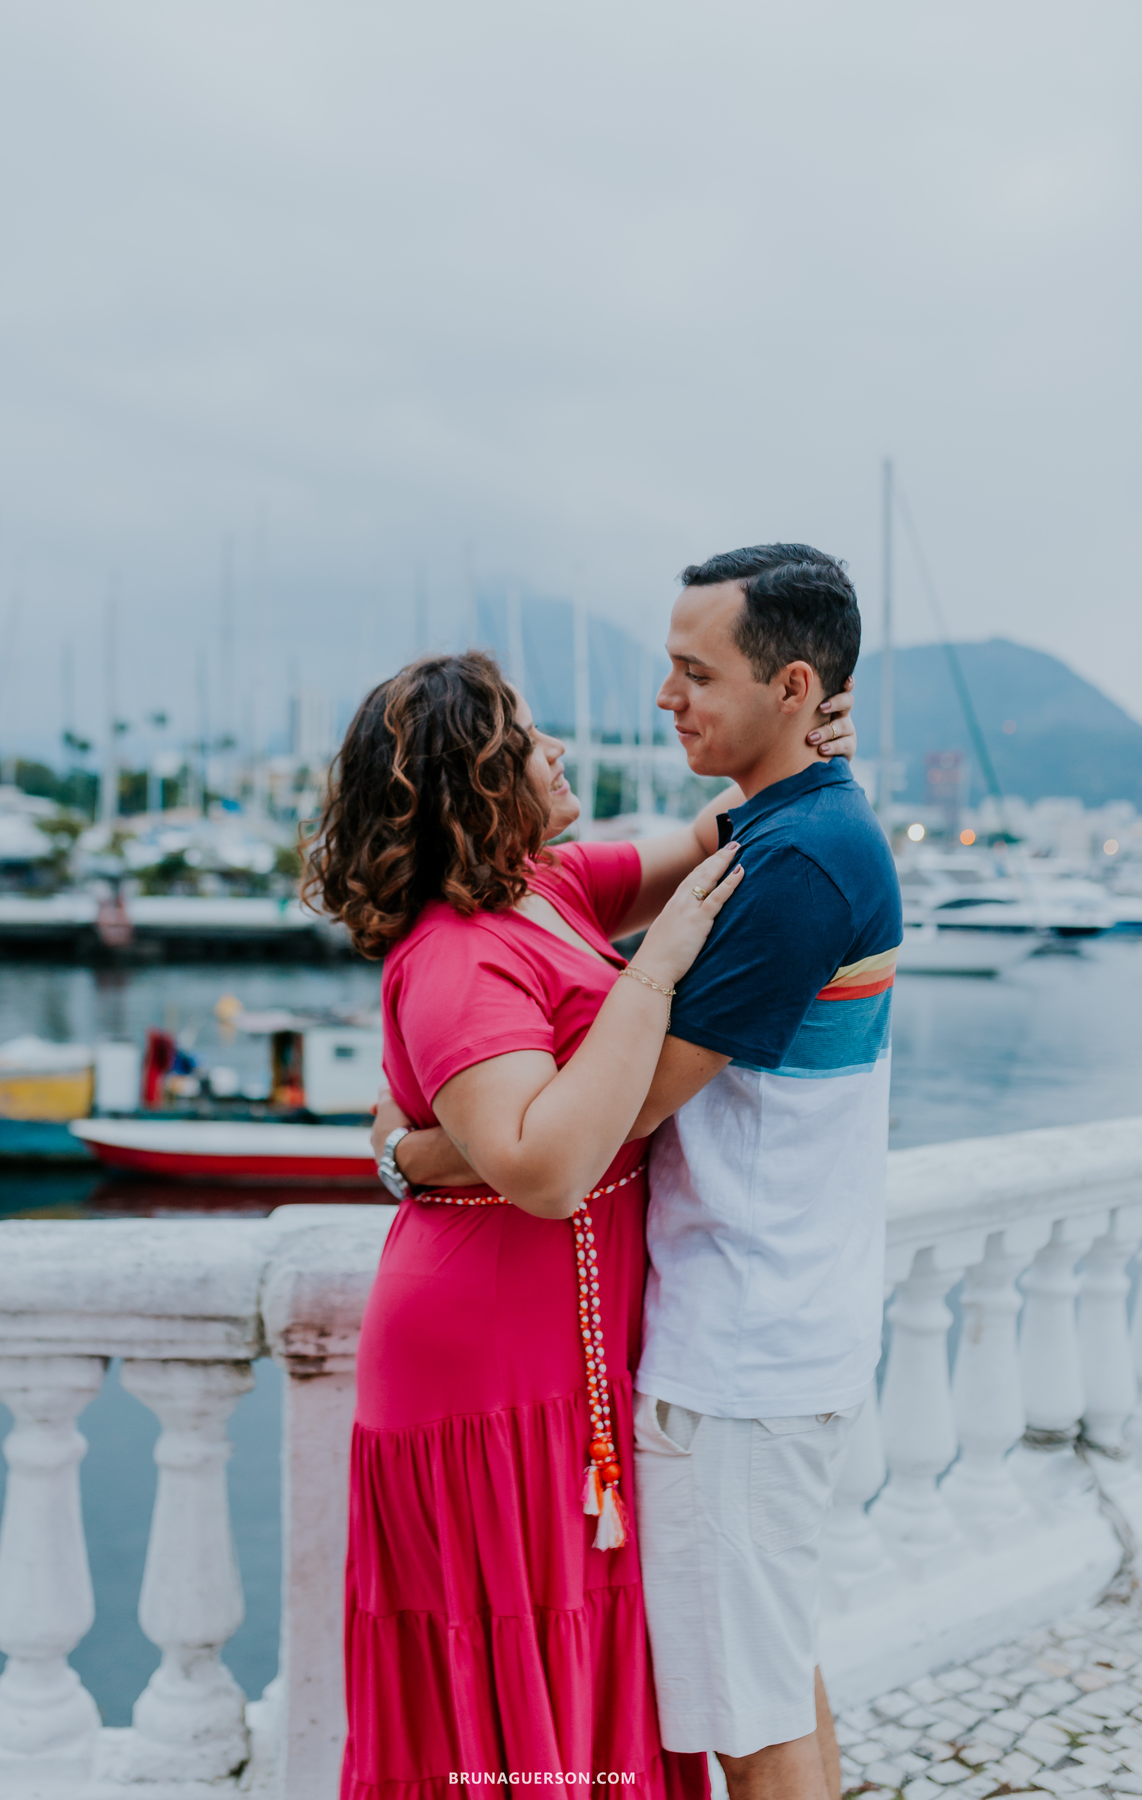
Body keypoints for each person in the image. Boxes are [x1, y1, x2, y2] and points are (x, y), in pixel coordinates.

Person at [315, 647, 856, 1794]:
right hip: (483, 1364)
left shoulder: (546, 887)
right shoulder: (458, 958)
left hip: (570, 1343)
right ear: (477, 778)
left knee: (583, 1643)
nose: (557, 749)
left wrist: (794, 742)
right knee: (510, 1646)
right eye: (529, 735)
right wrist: (653, 975)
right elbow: (547, 1166)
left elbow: (716, 841)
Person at [626, 546, 902, 1800]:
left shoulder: (798, 862)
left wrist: (418, 1148)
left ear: (791, 686)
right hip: (785, 1329)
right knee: (775, 1675)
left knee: (751, 1715)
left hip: (741, 1353)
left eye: (696, 673)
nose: (669, 699)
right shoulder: (805, 823)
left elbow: (625, 1110)